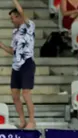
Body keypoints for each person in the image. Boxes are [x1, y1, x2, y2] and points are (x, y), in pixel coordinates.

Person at [0, 0, 36, 129]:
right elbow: (13, 51)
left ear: (19, 17)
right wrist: (2, 45)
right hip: (16, 65)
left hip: (27, 63)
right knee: (15, 95)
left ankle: (32, 121)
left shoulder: (29, 26)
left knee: (26, 94)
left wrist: (15, 1)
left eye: (13, 18)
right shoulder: (15, 33)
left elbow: (21, 11)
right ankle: (22, 120)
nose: (11, 21)